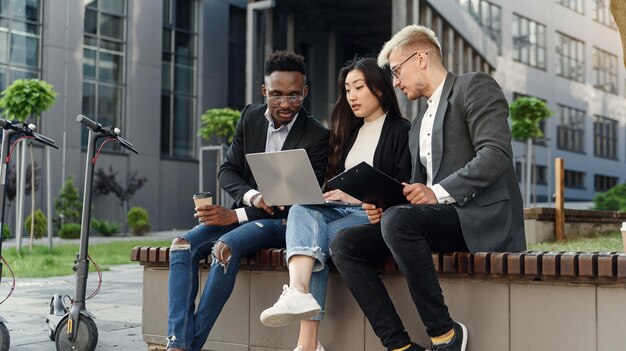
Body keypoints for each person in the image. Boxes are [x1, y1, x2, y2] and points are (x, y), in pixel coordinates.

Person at [330, 25, 526, 351]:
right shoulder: (417, 124)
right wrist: (383, 204)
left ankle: (445, 335)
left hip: (479, 216)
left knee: (399, 221)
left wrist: (436, 193)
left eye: (396, 71)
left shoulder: (473, 86)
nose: (394, 82)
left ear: (420, 58)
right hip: (436, 221)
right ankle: (400, 346)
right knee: (345, 242)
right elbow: (414, 189)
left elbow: (496, 155)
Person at [166, 51, 329, 351]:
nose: (285, 104)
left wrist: (237, 215)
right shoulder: (250, 117)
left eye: (295, 96)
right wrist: (251, 195)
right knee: (181, 246)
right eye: (277, 94)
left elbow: (298, 200)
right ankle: (177, 343)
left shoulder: (318, 136)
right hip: (248, 212)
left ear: (305, 92)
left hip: (282, 223)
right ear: (264, 90)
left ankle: (186, 347)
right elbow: (227, 170)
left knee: (224, 249)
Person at [259, 57, 412, 351]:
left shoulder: (400, 130)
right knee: (302, 210)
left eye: (358, 87)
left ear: (379, 90)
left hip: (374, 215)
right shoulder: (349, 133)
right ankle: (299, 292)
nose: (351, 96)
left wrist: (357, 197)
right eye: (347, 89)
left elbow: (403, 187)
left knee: (312, 243)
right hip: (341, 210)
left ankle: (307, 344)